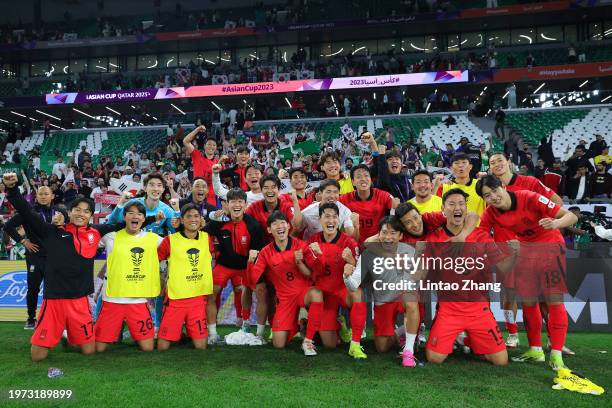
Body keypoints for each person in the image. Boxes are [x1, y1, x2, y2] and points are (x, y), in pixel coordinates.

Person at [2, 173, 135, 362]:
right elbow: (27, 212)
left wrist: (144, 216)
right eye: (77, 210)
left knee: (89, 352)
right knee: (37, 357)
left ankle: (67, 336)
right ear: (69, 212)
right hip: (54, 301)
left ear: (91, 215)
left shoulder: (96, 232)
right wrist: (13, 188)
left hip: (80, 302)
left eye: (86, 211)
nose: (81, 214)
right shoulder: (51, 232)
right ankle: (61, 333)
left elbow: (123, 224)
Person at [476, 175, 578, 370]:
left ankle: (556, 355)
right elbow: (480, 234)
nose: (494, 197)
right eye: (487, 196)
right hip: (525, 251)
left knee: (553, 300)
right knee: (529, 302)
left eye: (495, 191)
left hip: (550, 248)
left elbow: (571, 216)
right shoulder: (491, 213)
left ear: (503, 186)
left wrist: (555, 224)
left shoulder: (529, 197)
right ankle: (535, 350)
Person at [424, 188, 517, 366]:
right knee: (434, 359)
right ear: (443, 209)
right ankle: (459, 338)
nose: (457, 208)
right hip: (449, 309)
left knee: (500, 361)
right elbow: (424, 273)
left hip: (479, 309)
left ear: (466, 209)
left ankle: (470, 341)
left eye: (461, 204)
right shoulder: (434, 238)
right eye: (451, 204)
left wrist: (514, 253)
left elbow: (503, 267)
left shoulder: (481, 235)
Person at [344, 216, 421, 367]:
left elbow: (418, 280)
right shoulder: (368, 255)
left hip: (403, 296)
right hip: (382, 301)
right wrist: (346, 276)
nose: (388, 237)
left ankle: (408, 351)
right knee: (382, 347)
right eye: (384, 232)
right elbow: (354, 285)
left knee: (411, 299)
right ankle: (401, 333)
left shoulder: (409, 251)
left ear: (400, 236)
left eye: (393, 233)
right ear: (378, 235)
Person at [246, 211, 324, 356]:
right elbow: (252, 281)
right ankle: (301, 325)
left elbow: (317, 271)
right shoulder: (265, 253)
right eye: (274, 224)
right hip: (285, 298)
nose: (279, 226)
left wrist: (318, 255)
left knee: (317, 294)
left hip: (303, 292)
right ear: (269, 230)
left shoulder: (301, 245)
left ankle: (307, 341)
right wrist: (250, 262)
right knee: (278, 344)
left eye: (282, 222)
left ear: (288, 226)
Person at [95, 201, 162, 353]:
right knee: (98, 349)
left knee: (148, 348)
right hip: (112, 299)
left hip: (137, 300)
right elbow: (87, 241)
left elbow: (177, 246)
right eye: (130, 213)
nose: (135, 216)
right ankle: (71, 339)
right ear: (124, 217)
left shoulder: (153, 238)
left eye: (139, 214)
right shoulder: (110, 237)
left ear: (144, 219)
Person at [203, 188, 265, 343]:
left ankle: (255, 330)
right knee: (210, 293)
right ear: (227, 205)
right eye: (233, 201)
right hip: (224, 265)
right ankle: (212, 333)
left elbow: (256, 252)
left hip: (246, 265)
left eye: (240, 201)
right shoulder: (218, 223)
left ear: (245, 204)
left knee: (259, 291)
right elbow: (199, 232)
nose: (236, 205)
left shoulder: (253, 225)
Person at [306, 202, 365, 359]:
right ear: (320, 220)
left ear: (339, 220)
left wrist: (351, 261)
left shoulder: (349, 242)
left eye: (334, 217)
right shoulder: (312, 241)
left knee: (358, 293)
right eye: (327, 216)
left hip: (341, 290)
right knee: (330, 344)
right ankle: (339, 324)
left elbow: (357, 269)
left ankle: (355, 345)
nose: (331, 220)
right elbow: (311, 271)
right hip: (323, 294)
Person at [3, 186, 66, 329]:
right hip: (35, 256)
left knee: (56, 288)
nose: (43, 196)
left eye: (46, 193)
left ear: (52, 196)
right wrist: (23, 241)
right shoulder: (28, 212)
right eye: (40, 194)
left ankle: (54, 317)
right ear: (36, 196)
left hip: (54, 256)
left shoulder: (61, 212)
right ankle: (31, 318)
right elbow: (8, 226)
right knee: (33, 288)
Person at [156, 203, 214, 350]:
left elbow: (213, 258)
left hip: (198, 299)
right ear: (181, 220)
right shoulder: (170, 240)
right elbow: (154, 261)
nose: (192, 219)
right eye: (188, 216)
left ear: (201, 219)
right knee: (162, 346)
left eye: (196, 216)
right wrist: (160, 282)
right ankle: (179, 333)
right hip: (176, 298)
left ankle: (187, 333)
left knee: (201, 346)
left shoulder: (207, 238)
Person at [339, 164, 398, 246]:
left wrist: (395, 208)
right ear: (353, 182)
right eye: (359, 177)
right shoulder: (344, 199)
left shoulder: (383, 195)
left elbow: (398, 210)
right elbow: (329, 208)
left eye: (366, 176)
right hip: (355, 246)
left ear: (371, 179)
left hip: (379, 244)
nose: (363, 179)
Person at [246, 175, 302, 243]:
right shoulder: (254, 207)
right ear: (261, 190)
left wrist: (295, 201)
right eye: (266, 188)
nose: (270, 191)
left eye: (273, 187)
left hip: (284, 247)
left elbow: (297, 227)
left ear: (278, 190)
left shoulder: (286, 206)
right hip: (262, 248)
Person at [363, 132, 412, 202]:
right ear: (384, 164)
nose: (394, 161)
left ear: (401, 164)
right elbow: (378, 163)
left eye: (397, 159)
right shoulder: (380, 179)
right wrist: (373, 143)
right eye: (390, 159)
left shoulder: (406, 180)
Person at [183, 125, 218, 207]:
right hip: (196, 196)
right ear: (204, 146)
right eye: (209, 144)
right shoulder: (197, 155)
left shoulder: (218, 163)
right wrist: (197, 129)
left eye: (214, 145)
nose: (211, 147)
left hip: (211, 197)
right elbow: (186, 141)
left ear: (216, 147)